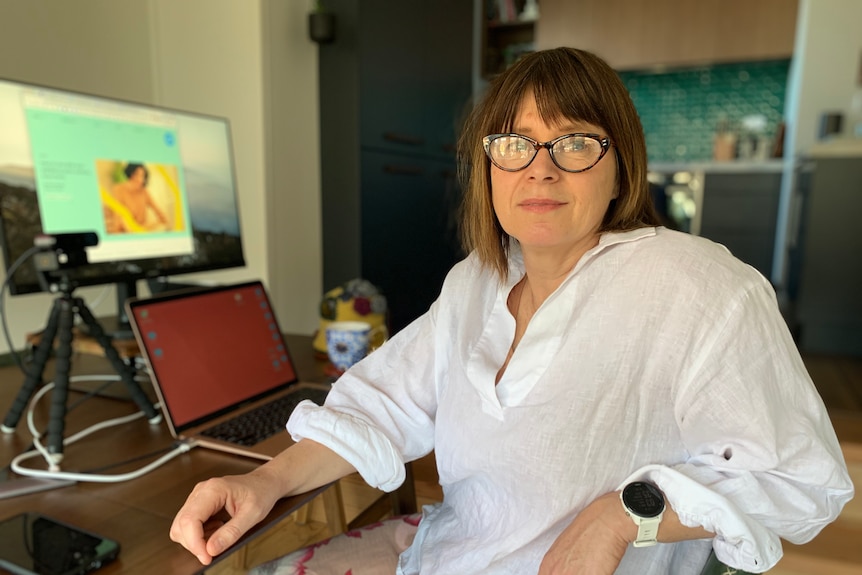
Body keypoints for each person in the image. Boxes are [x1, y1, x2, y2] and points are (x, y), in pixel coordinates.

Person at [169, 47, 854, 574]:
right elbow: (383, 402)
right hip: (446, 553)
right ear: (489, 166)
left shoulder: (698, 283)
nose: (540, 168)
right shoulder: (476, 280)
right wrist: (263, 479)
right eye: (514, 143)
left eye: (576, 142)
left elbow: (797, 478)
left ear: (622, 166)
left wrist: (621, 513)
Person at [104, 163, 170, 232]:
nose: (140, 179)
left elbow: (157, 209)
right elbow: (121, 217)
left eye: (142, 176)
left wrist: (164, 221)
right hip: (124, 232)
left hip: (140, 230)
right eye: (136, 175)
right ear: (130, 174)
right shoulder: (118, 189)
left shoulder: (144, 191)